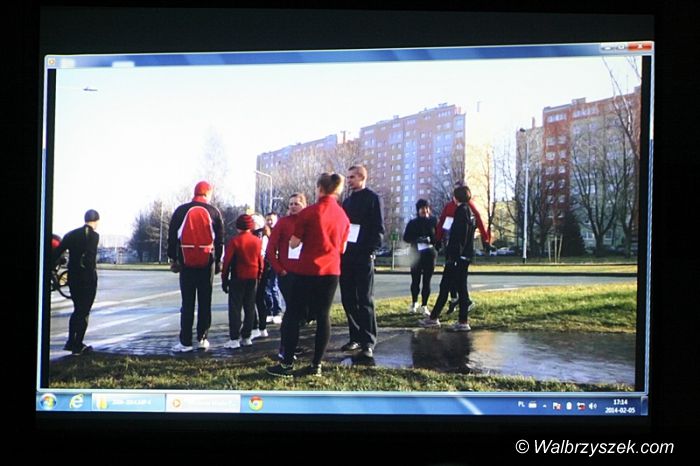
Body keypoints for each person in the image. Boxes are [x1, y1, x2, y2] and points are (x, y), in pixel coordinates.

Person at [267, 173, 350, 377]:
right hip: (331, 271)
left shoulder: (310, 212)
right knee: (323, 316)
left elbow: (294, 243)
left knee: (293, 315)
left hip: (307, 270)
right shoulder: (343, 216)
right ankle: (316, 365)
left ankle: (286, 363)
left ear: (319, 188)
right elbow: (343, 248)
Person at [167, 181, 224, 352]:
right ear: (208, 193)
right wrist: (218, 260)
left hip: (186, 261)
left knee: (188, 302)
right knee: (205, 301)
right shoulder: (214, 212)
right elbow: (219, 239)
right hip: (207, 262)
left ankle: (185, 341)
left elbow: (172, 236)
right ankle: (202, 338)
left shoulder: (181, 210)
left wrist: (173, 258)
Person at [339, 165, 384, 359]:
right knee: (348, 298)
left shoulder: (373, 198)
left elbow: (379, 228)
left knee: (365, 299)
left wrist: (371, 250)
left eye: (352, 177)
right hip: (347, 255)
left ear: (361, 177)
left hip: (364, 255)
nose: (348, 181)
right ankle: (355, 336)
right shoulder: (347, 202)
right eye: (348, 177)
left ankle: (368, 341)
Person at [420, 186, 477, 331]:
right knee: (457, 287)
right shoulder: (470, 212)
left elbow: (459, 236)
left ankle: (439, 319)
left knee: (448, 287)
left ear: (456, 198)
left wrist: (454, 255)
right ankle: (454, 319)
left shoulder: (461, 211)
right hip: (464, 255)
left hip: (457, 257)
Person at [435, 181, 492, 314]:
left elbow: (479, 221)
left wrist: (485, 240)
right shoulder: (449, 206)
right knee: (453, 277)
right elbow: (442, 222)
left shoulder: (467, 207)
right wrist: (438, 239)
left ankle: (460, 304)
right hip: (451, 244)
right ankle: (457, 301)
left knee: (456, 278)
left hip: (461, 247)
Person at [265, 193, 309, 360]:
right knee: (291, 312)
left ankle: (292, 344)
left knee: (301, 312)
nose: (293, 206)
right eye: (290, 204)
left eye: (296, 203)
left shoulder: (309, 222)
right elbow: (270, 249)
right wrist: (279, 269)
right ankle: (285, 348)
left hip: (306, 274)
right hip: (288, 274)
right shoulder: (283, 223)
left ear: (304, 205)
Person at [53, 209, 100, 355]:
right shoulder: (94, 236)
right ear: (96, 221)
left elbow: (57, 252)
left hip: (73, 277)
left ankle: (71, 341)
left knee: (77, 309)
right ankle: (77, 344)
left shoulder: (71, 234)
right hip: (86, 278)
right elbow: (89, 258)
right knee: (84, 311)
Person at [221, 214, 263, 349]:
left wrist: (224, 279)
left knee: (235, 309)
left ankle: (234, 338)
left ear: (238, 227)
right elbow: (260, 261)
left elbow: (227, 262)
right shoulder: (257, 241)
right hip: (253, 277)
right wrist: (259, 276)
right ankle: (247, 336)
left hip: (237, 277)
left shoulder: (235, 241)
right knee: (250, 307)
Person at [403, 199, 438, 315]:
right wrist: (416, 239)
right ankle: (414, 303)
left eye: (426, 208)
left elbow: (439, 238)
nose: (425, 210)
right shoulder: (413, 223)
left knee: (427, 281)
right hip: (416, 254)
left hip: (429, 254)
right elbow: (406, 238)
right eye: (422, 208)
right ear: (418, 210)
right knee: (415, 280)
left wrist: (431, 241)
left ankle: (424, 305)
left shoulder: (433, 221)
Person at [263, 212, 284, 323]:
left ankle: (278, 311)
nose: (270, 222)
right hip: (266, 262)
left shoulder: (279, 231)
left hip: (276, 262)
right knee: (266, 288)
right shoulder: (263, 232)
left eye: (272, 220)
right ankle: (269, 311)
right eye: (268, 220)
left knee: (274, 287)